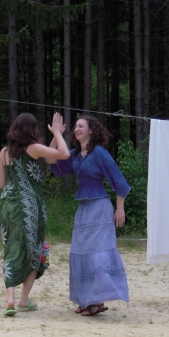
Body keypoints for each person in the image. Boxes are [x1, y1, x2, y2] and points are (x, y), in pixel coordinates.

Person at [47, 115, 131, 316]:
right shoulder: (76, 155)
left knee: (97, 254)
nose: (76, 129)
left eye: (81, 126)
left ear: (91, 130)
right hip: (84, 209)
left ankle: (97, 301)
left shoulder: (99, 153)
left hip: (100, 208)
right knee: (80, 252)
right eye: (75, 126)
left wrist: (120, 209)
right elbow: (50, 158)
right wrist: (56, 134)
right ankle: (86, 299)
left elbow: (119, 181)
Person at [0, 112, 70, 317]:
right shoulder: (34, 148)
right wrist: (57, 132)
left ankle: (10, 298)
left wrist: (55, 137)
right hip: (31, 207)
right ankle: (24, 299)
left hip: (9, 206)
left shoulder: (3, 152)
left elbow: (2, 184)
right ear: (34, 130)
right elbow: (63, 154)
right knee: (35, 251)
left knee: (11, 249)